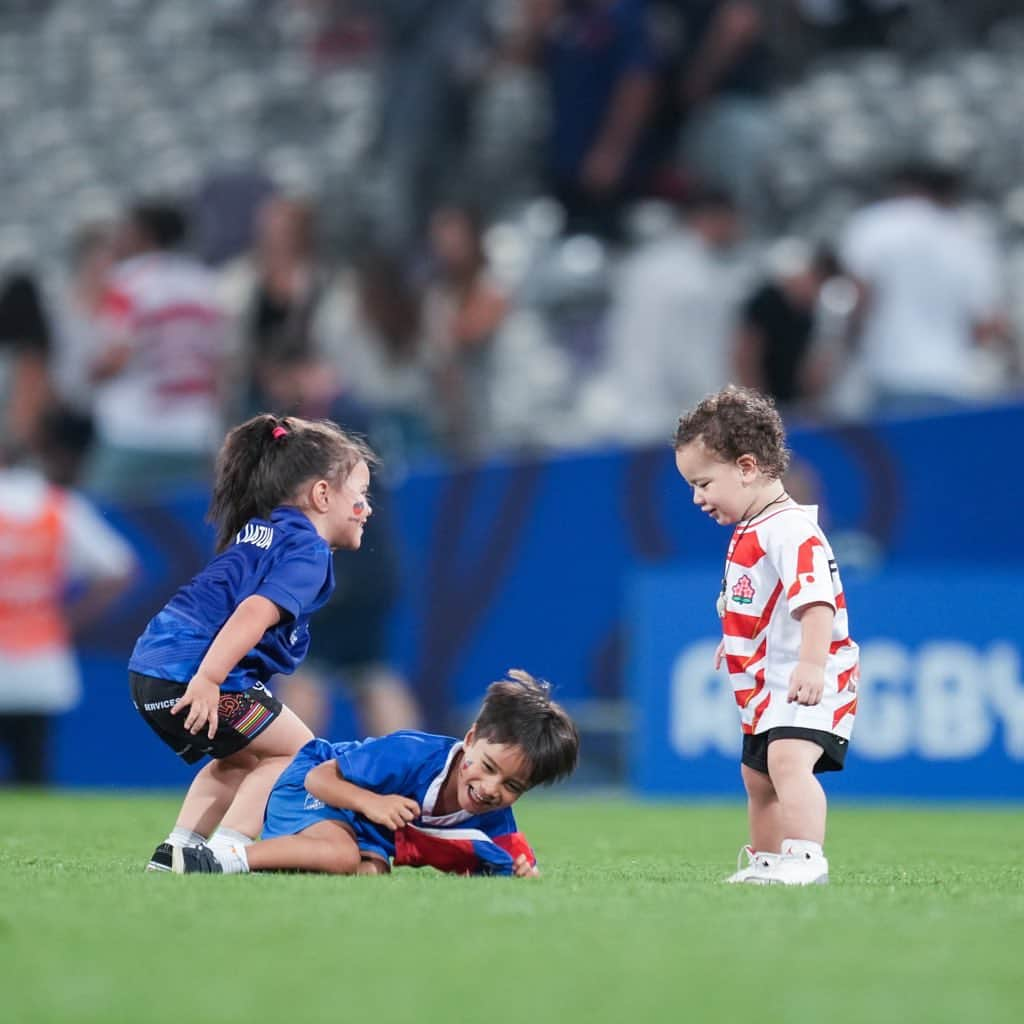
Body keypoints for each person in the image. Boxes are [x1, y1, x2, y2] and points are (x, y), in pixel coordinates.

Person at [130, 413, 376, 871]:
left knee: (239, 758)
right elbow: (254, 613)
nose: (366, 509)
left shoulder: (267, 526)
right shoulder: (309, 551)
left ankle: (179, 850)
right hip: (197, 673)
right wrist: (209, 678)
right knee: (299, 754)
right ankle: (227, 852)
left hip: (150, 668)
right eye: (359, 496)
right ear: (322, 495)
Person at [673, 386, 859, 885]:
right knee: (757, 776)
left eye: (703, 482)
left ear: (748, 467)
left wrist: (812, 665)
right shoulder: (753, 529)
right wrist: (733, 638)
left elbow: (817, 603)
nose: (697, 497)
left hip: (805, 675)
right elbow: (756, 602)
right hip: (769, 680)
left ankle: (805, 860)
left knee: (787, 760)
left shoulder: (789, 529)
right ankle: (768, 861)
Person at [171, 669, 580, 878]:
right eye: (489, 767)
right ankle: (219, 859)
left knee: (367, 873)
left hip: (360, 827)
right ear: (470, 739)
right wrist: (373, 802)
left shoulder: (491, 815)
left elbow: (513, 854)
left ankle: (281, 862)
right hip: (314, 782)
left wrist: (524, 870)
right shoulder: (413, 753)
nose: (491, 789)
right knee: (340, 856)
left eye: (513, 786)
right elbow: (321, 780)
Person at [0, 443, 136, 785]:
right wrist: (72, 617)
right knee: (32, 764)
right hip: (40, 656)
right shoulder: (57, 506)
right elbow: (120, 569)